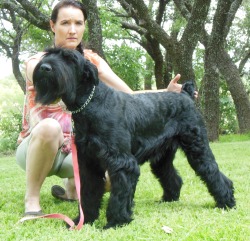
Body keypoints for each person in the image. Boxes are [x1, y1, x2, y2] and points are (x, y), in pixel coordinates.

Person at [16, 0, 186, 217]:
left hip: (76, 148)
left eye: (78, 23)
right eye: (65, 23)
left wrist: (166, 92)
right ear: (52, 25)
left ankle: (72, 190)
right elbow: (37, 74)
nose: (72, 30)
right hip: (40, 148)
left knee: (108, 168)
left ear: (84, 25)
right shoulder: (40, 62)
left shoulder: (91, 62)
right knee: (50, 127)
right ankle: (32, 200)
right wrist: (57, 72)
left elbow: (128, 95)